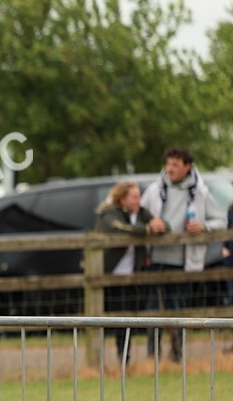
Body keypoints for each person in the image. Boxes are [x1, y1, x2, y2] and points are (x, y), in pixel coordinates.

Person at [144, 147, 228, 361]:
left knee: (178, 308)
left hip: (183, 262)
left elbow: (221, 221)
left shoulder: (200, 192)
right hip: (156, 259)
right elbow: (140, 215)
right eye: (168, 164)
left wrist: (204, 226)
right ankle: (152, 356)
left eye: (175, 165)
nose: (170, 169)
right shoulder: (155, 190)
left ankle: (177, 355)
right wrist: (150, 224)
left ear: (187, 167)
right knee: (153, 309)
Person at [95, 181, 153, 362]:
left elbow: (161, 224)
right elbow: (116, 227)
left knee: (129, 319)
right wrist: (144, 230)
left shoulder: (141, 213)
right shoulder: (109, 212)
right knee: (110, 320)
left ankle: (125, 359)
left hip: (132, 276)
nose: (138, 200)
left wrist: (157, 226)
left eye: (138, 196)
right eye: (134, 197)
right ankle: (106, 360)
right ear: (123, 198)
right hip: (110, 276)